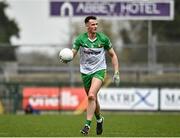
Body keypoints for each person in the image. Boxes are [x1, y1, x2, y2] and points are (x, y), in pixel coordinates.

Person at [60, 16, 120, 135]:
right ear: (87, 26)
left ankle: (87, 125)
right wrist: (67, 58)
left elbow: (113, 55)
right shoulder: (80, 39)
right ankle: (99, 119)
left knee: (91, 96)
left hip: (100, 70)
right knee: (93, 98)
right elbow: (72, 53)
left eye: (96, 24)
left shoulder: (103, 39)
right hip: (86, 72)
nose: (95, 26)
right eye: (92, 25)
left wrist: (116, 71)